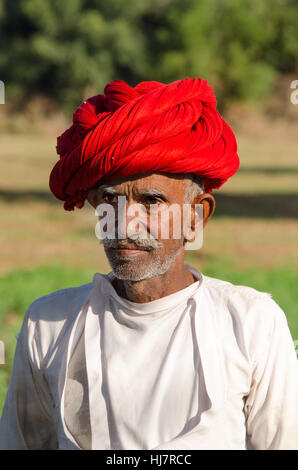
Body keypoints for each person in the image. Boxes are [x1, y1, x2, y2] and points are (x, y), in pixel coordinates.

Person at [0, 78, 297, 450]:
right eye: (110, 199)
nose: (125, 223)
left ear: (195, 217)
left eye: (152, 201)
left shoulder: (251, 324)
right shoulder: (49, 325)